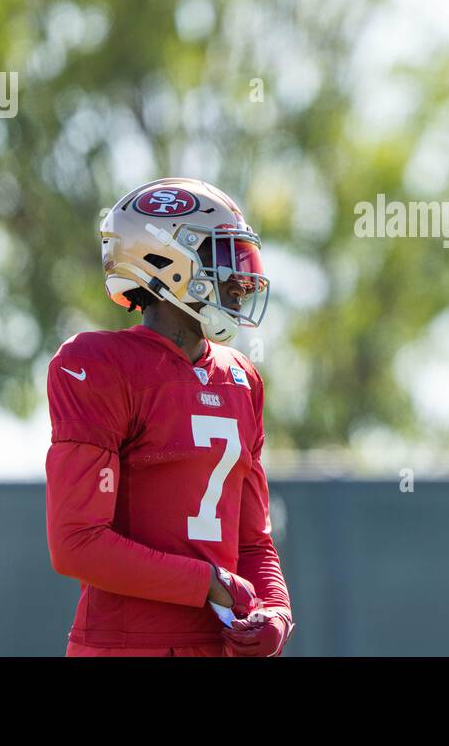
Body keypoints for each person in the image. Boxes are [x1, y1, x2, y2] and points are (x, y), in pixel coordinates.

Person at [44, 177, 294, 657]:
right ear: (168, 261)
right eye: (224, 256)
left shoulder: (242, 378)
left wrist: (275, 610)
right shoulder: (96, 364)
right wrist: (209, 582)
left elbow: (254, 542)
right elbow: (76, 542)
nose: (242, 277)